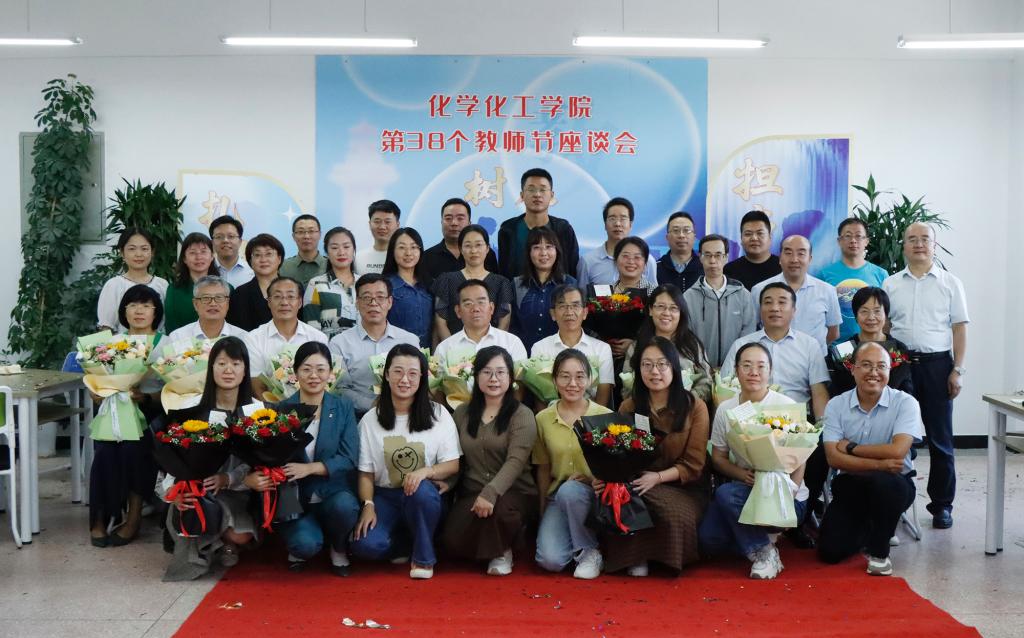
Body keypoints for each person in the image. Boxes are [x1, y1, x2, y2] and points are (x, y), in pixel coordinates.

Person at [882, 222, 968, 529]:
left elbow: (959, 328)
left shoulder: (950, 283)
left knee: (940, 439)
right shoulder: (891, 284)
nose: (918, 244)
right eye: (912, 239)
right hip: (900, 365)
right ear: (903, 245)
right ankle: (898, 501)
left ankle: (941, 505)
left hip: (937, 366)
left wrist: (957, 370)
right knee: (897, 436)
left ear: (934, 245)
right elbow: (885, 327)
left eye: (925, 239)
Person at [351, 344, 461, 579]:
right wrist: (368, 504)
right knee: (366, 546)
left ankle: (423, 559)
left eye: (412, 373)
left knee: (420, 491)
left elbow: (453, 465)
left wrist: (425, 472)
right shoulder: (370, 420)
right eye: (398, 372)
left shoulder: (439, 414)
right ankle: (403, 542)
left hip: (424, 496)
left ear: (422, 377)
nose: (405, 380)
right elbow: (365, 472)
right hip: (385, 496)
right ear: (386, 375)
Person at [700, 342, 807, 579]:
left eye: (761, 366)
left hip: (784, 491)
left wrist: (790, 492)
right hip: (746, 489)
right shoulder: (726, 409)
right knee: (709, 540)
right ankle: (763, 539)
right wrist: (741, 474)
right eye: (746, 366)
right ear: (736, 371)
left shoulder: (786, 406)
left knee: (725, 495)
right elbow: (718, 458)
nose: (754, 372)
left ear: (770, 371)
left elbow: (801, 458)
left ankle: (763, 552)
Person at [606, 338, 710, 576]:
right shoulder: (628, 407)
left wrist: (658, 478)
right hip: (639, 482)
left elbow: (694, 465)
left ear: (674, 367)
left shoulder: (695, 407)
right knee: (621, 496)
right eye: (647, 364)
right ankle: (637, 557)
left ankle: (660, 557)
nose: (655, 371)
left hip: (683, 486)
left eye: (662, 364)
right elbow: (622, 457)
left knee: (674, 513)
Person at [819, 341, 924, 576]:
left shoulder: (906, 403)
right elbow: (834, 458)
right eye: (866, 365)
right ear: (853, 369)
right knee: (830, 552)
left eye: (881, 366)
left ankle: (879, 552)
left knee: (885, 483)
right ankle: (870, 527)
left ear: (890, 370)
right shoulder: (836, 405)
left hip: (895, 484)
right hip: (852, 485)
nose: (873, 372)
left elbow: (897, 452)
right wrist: (880, 464)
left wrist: (852, 448)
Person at [158, 336, 258, 581]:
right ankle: (212, 545)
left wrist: (228, 478)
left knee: (240, 535)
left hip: (237, 492)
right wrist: (172, 493)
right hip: (198, 489)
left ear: (245, 370)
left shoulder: (256, 411)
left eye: (235, 364)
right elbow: (172, 457)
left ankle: (224, 542)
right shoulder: (191, 408)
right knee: (191, 507)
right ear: (211, 368)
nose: (228, 370)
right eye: (221, 363)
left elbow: (258, 462)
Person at [442, 346, 538, 576]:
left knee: (498, 513)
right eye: (486, 372)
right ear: (476, 376)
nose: (494, 378)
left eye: (500, 372)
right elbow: (456, 456)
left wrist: (491, 492)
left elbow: (516, 461)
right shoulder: (462, 413)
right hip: (473, 491)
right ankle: (496, 543)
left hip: (514, 492)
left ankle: (502, 550)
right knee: (451, 540)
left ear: (511, 378)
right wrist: (449, 482)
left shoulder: (522, 414)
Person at [274, 342, 361, 576]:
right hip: (296, 496)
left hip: (333, 491)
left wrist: (311, 468)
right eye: (306, 369)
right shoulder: (282, 410)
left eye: (321, 369)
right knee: (305, 545)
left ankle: (338, 546)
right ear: (295, 373)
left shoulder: (342, 407)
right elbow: (273, 456)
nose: (314, 376)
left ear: (330, 373)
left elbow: (349, 457)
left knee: (345, 507)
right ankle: (302, 542)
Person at [88, 285, 165, 548]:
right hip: (114, 409)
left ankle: (133, 518)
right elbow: (95, 381)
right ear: (124, 311)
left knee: (135, 450)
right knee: (104, 451)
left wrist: (145, 397)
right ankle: (99, 517)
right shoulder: (111, 344)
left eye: (145, 305)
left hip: (149, 409)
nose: (139, 311)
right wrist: (97, 392)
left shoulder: (166, 344)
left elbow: (174, 390)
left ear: (156, 312)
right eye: (132, 305)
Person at [533, 349, 611, 579]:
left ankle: (589, 552)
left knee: (571, 491)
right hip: (558, 498)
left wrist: (589, 480)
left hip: (596, 496)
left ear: (590, 379)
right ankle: (579, 542)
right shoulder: (543, 419)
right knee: (550, 560)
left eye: (579, 376)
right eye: (565, 376)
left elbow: (615, 468)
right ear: (554, 380)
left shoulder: (604, 416)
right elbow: (543, 467)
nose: (572, 383)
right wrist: (542, 510)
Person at [720, 283, 830, 419]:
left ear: (794, 310)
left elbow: (818, 392)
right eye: (768, 302)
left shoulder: (809, 345)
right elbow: (724, 390)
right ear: (760, 309)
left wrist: (821, 427)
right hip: (748, 421)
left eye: (782, 302)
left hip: (796, 422)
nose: (775, 308)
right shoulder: (741, 345)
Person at [329, 274, 420, 418]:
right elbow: (340, 388)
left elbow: (419, 381)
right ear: (357, 303)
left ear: (390, 302)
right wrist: (372, 404)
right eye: (366, 297)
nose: (373, 303)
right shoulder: (339, 343)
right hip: (357, 417)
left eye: (380, 297)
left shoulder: (410, 341)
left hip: (405, 415)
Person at [623, 284, 713, 403]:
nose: (666, 313)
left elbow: (706, 382)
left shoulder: (692, 345)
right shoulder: (637, 346)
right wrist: (654, 402)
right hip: (646, 410)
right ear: (650, 310)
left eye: (673, 308)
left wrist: (685, 400)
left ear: (681, 312)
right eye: (661, 306)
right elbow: (627, 387)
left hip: (687, 408)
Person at [752, 235, 841, 355]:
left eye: (801, 253)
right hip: (772, 360)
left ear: (810, 259)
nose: (794, 259)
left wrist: (812, 351)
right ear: (780, 258)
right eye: (788, 253)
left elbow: (833, 333)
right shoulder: (759, 290)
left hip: (814, 361)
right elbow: (753, 329)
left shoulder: (827, 290)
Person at [531, 285, 614, 408]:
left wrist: (591, 419)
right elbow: (539, 396)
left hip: (591, 417)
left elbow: (603, 397)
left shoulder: (602, 349)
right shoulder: (540, 348)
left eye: (575, 306)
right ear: (553, 314)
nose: (569, 312)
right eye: (562, 306)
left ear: (585, 312)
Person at [683, 233, 757, 369]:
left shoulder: (743, 295)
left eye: (718, 255)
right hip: (700, 370)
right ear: (700, 257)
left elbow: (748, 335)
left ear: (726, 257)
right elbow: (686, 337)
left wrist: (733, 366)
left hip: (736, 371)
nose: (712, 261)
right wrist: (702, 367)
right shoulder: (688, 297)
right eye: (707, 255)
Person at [432, 225, 514, 342]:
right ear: (461, 249)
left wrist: (492, 347)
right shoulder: (447, 280)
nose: (473, 251)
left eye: (478, 245)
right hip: (455, 348)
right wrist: (453, 347)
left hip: (491, 348)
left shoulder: (501, 282)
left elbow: (504, 322)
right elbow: (440, 321)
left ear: (487, 248)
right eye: (468, 246)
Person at [827, 287, 913, 396]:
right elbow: (839, 390)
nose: (871, 317)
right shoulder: (844, 350)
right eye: (864, 311)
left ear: (886, 315)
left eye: (877, 311)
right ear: (856, 316)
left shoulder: (899, 349)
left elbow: (905, 390)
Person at [584, 236, 657, 364]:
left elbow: (660, 328)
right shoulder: (603, 292)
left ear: (645, 264)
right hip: (604, 359)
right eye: (625, 256)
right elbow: (589, 326)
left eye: (637, 257)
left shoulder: (654, 293)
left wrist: (635, 344)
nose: (631, 261)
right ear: (615, 261)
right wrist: (602, 343)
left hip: (640, 360)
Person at [498, 168, 580, 279]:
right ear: (522, 195)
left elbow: (572, 269)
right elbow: (503, 272)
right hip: (517, 289)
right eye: (531, 190)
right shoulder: (508, 230)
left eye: (542, 189)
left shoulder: (563, 229)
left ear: (551, 195)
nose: (537, 194)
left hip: (558, 289)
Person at [245, 276, 328, 384]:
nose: (284, 302)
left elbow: (323, 378)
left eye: (290, 296)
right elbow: (256, 381)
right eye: (277, 296)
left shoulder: (317, 338)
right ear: (269, 302)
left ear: (300, 302)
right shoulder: (253, 339)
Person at [818, 218, 889, 342]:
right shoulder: (824, 275)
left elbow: (886, 315)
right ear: (839, 241)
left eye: (858, 236)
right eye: (848, 236)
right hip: (836, 346)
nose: (853, 241)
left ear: (866, 241)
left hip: (872, 346)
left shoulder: (881, 274)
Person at [433, 279, 528, 368]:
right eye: (468, 304)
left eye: (481, 302)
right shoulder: (444, 348)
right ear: (458, 311)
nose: (475, 309)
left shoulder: (512, 343)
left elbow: (519, 379)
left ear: (491, 308)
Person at [512, 227, 577, 353]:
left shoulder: (570, 284)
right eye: (537, 247)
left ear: (557, 251)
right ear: (529, 252)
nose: (543, 253)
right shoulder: (516, 285)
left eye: (549, 247)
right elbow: (512, 325)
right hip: (524, 357)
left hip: (561, 356)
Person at [97, 228, 169, 331]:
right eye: (132, 249)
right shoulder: (114, 285)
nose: (138, 254)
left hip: (157, 341)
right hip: (123, 341)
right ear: (122, 252)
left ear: (152, 252)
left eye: (144, 249)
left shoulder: (162, 284)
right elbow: (106, 326)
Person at [576, 197, 657, 289]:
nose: (617, 223)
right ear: (605, 224)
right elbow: (582, 295)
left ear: (630, 224)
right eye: (612, 218)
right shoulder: (588, 261)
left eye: (623, 218)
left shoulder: (647, 261)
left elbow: (654, 294)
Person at [420, 197, 498, 281]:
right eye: (448, 218)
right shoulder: (427, 257)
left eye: (460, 218)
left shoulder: (486, 254)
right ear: (441, 222)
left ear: (469, 223)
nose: (454, 223)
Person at [302, 226, 359, 339]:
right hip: (329, 347)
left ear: (354, 250)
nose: (341, 252)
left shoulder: (364, 283)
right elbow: (311, 327)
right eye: (334, 248)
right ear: (327, 252)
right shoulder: (316, 284)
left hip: (362, 347)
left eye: (346, 247)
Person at [382, 228, 434, 349]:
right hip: (394, 353)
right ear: (392, 251)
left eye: (414, 247)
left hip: (426, 354)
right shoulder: (384, 285)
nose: (408, 253)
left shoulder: (429, 284)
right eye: (402, 247)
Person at [163, 233, 220, 334]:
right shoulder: (174, 290)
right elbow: (171, 325)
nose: (199, 257)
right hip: (181, 342)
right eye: (192, 253)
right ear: (184, 258)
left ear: (212, 256)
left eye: (203, 252)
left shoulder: (225, 288)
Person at [226, 233, 284, 332]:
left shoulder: (294, 289)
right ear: (250, 261)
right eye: (257, 255)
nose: (263, 259)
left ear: (279, 258)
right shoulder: (240, 294)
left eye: (269, 254)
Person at [164, 276, 247, 343]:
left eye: (219, 297)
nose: (213, 303)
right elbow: (169, 359)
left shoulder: (243, 338)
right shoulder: (177, 337)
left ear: (227, 303)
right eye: (206, 298)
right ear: (195, 304)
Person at [723, 210, 781, 291]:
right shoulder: (729, 271)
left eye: (760, 233)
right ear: (741, 238)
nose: (754, 238)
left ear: (770, 237)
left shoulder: (782, 267)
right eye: (748, 234)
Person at [656, 211, 704, 292]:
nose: (681, 235)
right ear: (667, 237)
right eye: (676, 230)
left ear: (694, 237)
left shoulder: (704, 268)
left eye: (687, 230)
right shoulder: (656, 269)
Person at [279, 214, 326, 286]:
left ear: (320, 234)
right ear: (293, 236)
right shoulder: (282, 267)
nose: (306, 236)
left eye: (311, 231)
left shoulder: (331, 265)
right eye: (301, 232)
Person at [354, 199, 400, 275]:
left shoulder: (405, 257)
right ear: (369, 224)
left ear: (397, 225)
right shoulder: (357, 259)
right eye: (377, 221)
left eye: (387, 222)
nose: (382, 227)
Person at [209, 215, 253, 288]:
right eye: (219, 237)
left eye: (231, 236)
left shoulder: (252, 271)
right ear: (212, 243)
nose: (225, 240)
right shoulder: (205, 270)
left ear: (240, 241)